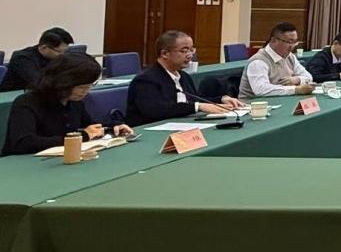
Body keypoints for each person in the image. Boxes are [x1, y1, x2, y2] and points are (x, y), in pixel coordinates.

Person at [2, 53, 134, 156]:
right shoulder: (27, 102)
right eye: (81, 87)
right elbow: (23, 143)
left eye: (90, 86)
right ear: (63, 82)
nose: (86, 92)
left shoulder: (74, 102)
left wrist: (112, 127)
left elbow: (90, 125)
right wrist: (81, 137)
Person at [126, 31, 244, 125]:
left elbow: (194, 100)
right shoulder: (146, 80)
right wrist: (198, 106)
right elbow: (157, 110)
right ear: (165, 54)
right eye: (184, 51)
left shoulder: (183, 76)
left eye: (192, 50)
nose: (190, 55)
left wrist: (221, 99)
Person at [238, 22, 314, 100]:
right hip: (252, 104)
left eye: (294, 42)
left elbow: (309, 77)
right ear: (274, 40)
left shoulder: (290, 57)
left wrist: (297, 80)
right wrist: (295, 89)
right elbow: (261, 89)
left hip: (280, 101)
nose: (292, 46)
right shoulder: (258, 61)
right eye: (289, 42)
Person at [0, 28, 75, 90]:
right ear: (44, 48)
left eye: (65, 51)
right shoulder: (22, 58)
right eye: (59, 52)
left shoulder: (58, 57)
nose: (63, 55)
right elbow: (39, 82)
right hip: (12, 97)